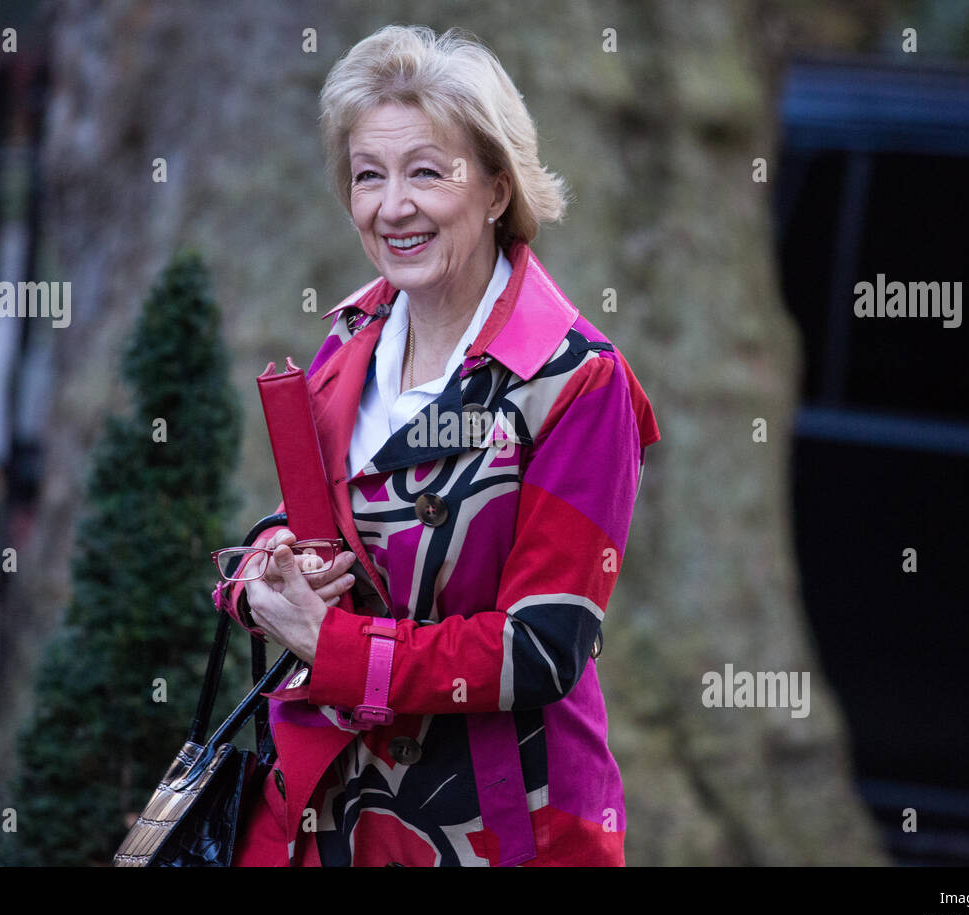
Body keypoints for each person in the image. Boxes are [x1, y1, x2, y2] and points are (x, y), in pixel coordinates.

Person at [223, 24, 659, 866]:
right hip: (320, 811)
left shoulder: (579, 382)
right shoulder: (353, 336)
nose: (393, 207)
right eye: (368, 176)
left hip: (493, 825)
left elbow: (542, 646)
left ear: (497, 187)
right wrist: (271, 571)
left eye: (427, 172)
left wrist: (334, 646)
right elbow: (307, 523)